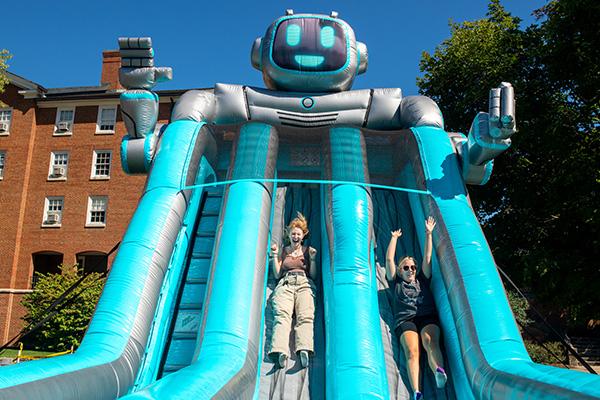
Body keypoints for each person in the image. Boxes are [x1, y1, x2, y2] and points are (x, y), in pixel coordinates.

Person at [386, 216, 447, 400]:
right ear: (400, 270)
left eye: (413, 267)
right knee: (412, 351)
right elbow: (389, 259)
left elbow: (428, 257)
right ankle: (416, 392)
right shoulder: (395, 282)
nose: (411, 270)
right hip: (405, 320)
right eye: (406, 267)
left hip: (427, 316)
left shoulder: (422, 279)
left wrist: (429, 234)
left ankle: (438, 370)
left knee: (430, 341)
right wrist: (394, 238)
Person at [269, 212, 318, 369]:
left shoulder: (307, 250)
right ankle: (280, 350)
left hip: (304, 283)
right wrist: (274, 256)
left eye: (298, 234)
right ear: (289, 235)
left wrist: (312, 259)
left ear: (303, 236)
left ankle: (303, 348)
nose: (296, 236)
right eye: (293, 233)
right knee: (282, 316)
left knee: (305, 316)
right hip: (286, 283)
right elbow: (277, 274)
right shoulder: (284, 250)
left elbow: (313, 274)